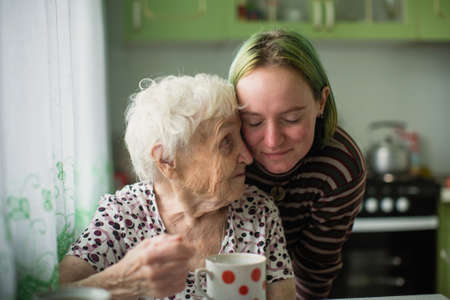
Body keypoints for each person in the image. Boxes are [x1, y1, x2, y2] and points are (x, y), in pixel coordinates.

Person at [59, 74, 296, 300]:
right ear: (167, 160)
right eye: (226, 142)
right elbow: (58, 293)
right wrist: (124, 280)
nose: (247, 156)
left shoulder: (258, 211)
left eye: (240, 137)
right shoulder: (123, 213)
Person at [228, 30, 367, 300]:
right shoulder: (224, 159)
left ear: (321, 102)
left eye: (291, 118)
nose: (272, 141)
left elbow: (315, 269)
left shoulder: (339, 168)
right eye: (253, 122)